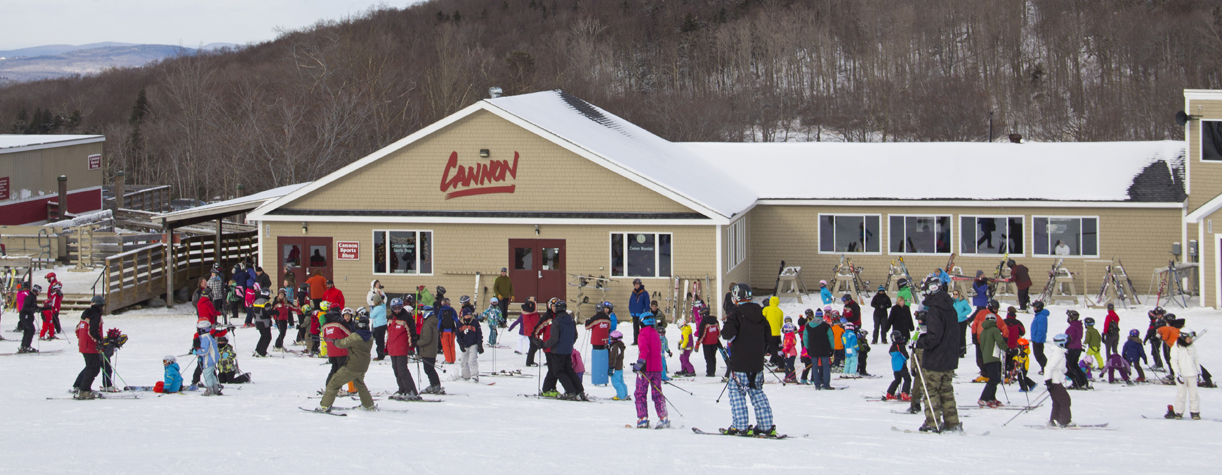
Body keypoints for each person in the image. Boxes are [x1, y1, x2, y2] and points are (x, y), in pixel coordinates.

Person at [719, 284, 776, 436]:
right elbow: (768, 337)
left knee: (736, 393)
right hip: (757, 364)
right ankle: (766, 425)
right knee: (757, 392)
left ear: (736, 297)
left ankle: (741, 426)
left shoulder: (736, 314)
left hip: (740, 363)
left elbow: (726, 334)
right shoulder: (760, 315)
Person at [914, 277, 963, 433]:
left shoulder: (935, 309)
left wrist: (922, 342)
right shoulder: (950, 308)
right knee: (946, 390)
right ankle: (952, 422)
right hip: (949, 358)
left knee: (930, 390)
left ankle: (932, 421)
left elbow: (934, 336)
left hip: (936, 358)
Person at [316, 315, 376, 413]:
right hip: (363, 366)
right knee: (360, 384)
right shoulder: (370, 337)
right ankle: (368, 405)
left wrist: (335, 341)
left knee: (334, 382)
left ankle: (324, 406)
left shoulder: (355, 336)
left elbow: (342, 343)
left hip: (352, 366)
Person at [542, 301, 585, 400]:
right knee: (569, 370)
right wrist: (568, 345)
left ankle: (570, 391)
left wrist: (544, 344)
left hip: (557, 351)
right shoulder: (571, 320)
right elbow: (575, 336)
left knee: (559, 372)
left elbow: (554, 339)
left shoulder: (557, 321)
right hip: (567, 350)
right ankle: (580, 390)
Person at [633, 312, 669, 428]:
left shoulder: (642, 334)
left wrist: (639, 364)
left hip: (645, 369)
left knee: (640, 393)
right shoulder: (656, 334)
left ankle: (642, 418)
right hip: (657, 369)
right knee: (657, 393)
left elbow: (644, 351)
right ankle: (663, 417)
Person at [72, 296, 106, 399]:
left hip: (84, 345)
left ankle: (84, 387)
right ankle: (84, 390)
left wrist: (81, 340)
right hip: (90, 346)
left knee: (92, 367)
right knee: (93, 368)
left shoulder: (85, 315)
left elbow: (77, 329)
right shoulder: (95, 315)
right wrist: (99, 341)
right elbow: (93, 331)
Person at [387, 298, 420, 400]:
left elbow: (412, 333)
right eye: (395, 308)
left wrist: (411, 346)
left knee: (402, 370)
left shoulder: (406, 317)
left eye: (399, 308)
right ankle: (401, 389)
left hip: (402, 348)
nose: (397, 310)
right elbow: (388, 333)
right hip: (392, 349)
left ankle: (410, 390)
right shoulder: (391, 318)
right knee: (396, 370)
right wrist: (385, 347)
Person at [1167, 328, 1202, 420]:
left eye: (1191, 338)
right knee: (1181, 394)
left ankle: (1195, 412)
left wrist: (1198, 372)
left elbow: (1196, 360)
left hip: (1192, 374)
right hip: (1182, 375)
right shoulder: (1176, 347)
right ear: (1183, 337)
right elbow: (1174, 361)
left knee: (1194, 395)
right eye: (1188, 338)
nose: (1190, 340)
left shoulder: (1192, 347)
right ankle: (1179, 412)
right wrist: (1177, 374)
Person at [977, 313, 1007, 408]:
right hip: (994, 357)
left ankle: (991, 397)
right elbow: (1000, 342)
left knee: (995, 378)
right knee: (994, 379)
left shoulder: (983, 332)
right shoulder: (995, 330)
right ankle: (984, 398)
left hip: (986, 358)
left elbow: (981, 345)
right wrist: (1008, 350)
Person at [1045, 333, 1073, 427]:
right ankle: (1064, 421)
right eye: (1067, 342)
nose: (1069, 344)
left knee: (1057, 401)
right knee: (1065, 400)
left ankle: (1054, 420)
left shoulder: (1060, 352)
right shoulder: (1057, 353)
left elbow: (1060, 367)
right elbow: (1048, 368)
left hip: (1056, 381)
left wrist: (1068, 373)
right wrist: (1048, 381)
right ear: (1062, 343)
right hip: (1054, 382)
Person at [321, 308, 352, 387]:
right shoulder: (340, 322)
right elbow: (349, 334)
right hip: (341, 350)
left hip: (331, 350)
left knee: (334, 368)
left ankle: (328, 385)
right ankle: (336, 387)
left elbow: (325, 338)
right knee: (341, 370)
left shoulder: (325, 324)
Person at [417, 306, 444, 394]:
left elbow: (426, 339)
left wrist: (417, 343)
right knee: (429, 368)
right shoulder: (431, 322)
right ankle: (434, 384)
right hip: (430, 350)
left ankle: (435, 385)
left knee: (429, 369)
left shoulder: (428, 324)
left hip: (428, 350)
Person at [804, 310, 834, 389]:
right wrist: (832, 348)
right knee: (826, 367)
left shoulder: (808, 325)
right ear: (822, 316)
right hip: (825, 348)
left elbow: (805, 338)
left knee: (814, 367)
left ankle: (817, 385)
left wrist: (807, 348)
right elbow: (831, 337)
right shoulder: (826, 325)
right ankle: (826, 384)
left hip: (813, 349)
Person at [585, 302, 612, 385]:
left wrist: (587, 321)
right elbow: (609, 327)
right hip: (605, 341)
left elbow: (587, 327)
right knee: (604, 358)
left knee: (597, 359)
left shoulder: (595, 318)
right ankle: (604, 376)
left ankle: (597, 377)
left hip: (596, 341)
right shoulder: (607, 318)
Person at [195, 320, 223, 396]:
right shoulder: (210, 337)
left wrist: (197, 351)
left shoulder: (205, 338)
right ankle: (215, 389)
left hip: (209, 360)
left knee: (207, 375)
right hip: (213, 359)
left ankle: (209, 390)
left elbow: (204, 351)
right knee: (211, 375)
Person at [457, 307, 484, 382]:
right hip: (465, 344)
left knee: (472, 360)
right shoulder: (459, 323)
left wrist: (480, 344)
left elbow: (479, 334)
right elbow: (458, 335)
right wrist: (461, 344)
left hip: (473, 344)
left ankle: (474, 375)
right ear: (463, 316)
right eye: (467, 316)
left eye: (470, 315)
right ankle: (466, 376)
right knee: (463, 361)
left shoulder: (475, 322)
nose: (469, 317)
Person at [1064, 310, 1089, 389]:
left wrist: (1065, 342)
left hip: (1072, 348)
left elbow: (1071, 338)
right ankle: (1083, 381)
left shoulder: (1072, 327)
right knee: (1075, 365)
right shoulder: (1078, 325)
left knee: (1070, 366)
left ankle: (1076, 383)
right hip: (1077, 348)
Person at [17, 284, 43, 353]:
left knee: (27, 330)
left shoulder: (33, 297)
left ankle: (24, 346)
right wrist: (32, 309)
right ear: (36, 291)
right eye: (39, 291)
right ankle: (26, 346)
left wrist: (40, 309)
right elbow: (25, 307)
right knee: (31, 329)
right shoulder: (30, 297)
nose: (39, 293)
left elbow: (34, 306)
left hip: (27, 316)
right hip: (25, 315)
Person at [886, 331, 911, 401]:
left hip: (895, 367)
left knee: (897, 380)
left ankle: (890, 393)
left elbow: (891, 353)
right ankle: (905, 393)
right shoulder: (900, 346)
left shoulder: (892, 346)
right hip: (901, 365)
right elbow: (906, 356)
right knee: (907, 379)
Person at [698, 306, 721, 377]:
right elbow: (718, 333)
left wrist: (698, 343)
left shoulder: (704, 323)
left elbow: (702, 334)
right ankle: (713, 371)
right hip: (715, 342)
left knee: (708, 357)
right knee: (713, 356)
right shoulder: (715, 321)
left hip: (707, 343)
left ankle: (710, 372)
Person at [763, 296, 784, 367]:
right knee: (778, 348)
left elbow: (762, 319)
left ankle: (780, 363)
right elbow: (781, 323)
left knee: (773, 349)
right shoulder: (780, 311)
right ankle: (773, 360)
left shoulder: (766, 309)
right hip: (777, 333)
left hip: (769, 332)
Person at [252, 289, 275, 357]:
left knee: (263, 336)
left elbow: (252, 312)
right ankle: (262, 352)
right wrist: (275, 312)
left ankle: (258, 349)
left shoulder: (256, 301)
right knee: (268, 337)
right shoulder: (266, 302)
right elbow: (268, 312)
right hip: (264, 322)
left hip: (257, 321)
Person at [608, 330, 629, 400]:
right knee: (621, 381)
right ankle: (625, 394)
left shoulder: (615, 347)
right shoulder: (620, 345)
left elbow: (613, 358)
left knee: (616, 382)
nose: (610, 339)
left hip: (615, 368)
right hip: (620, 368)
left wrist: (611, 367)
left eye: (611, 338)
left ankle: (621, 396)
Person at [520, 301, 541, 366]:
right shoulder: (531, 313)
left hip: (530, 331)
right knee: (533, 346)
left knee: (533, 346)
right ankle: (529, 362)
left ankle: (530, 361)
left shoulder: (527, 312)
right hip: (532, 332)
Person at [438, 298, 460, 364]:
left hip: (444, 331)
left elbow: (439, 321)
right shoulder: (452, 310)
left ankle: (448, 359)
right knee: (452, 345)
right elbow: (456, 320)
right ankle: (453, 359)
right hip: (452, 330)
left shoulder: (441, 311)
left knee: (445, 345)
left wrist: (438, 329)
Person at [1030, 301, 1049, 373]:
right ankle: (1045, 368)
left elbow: (1041, 330)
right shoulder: (1039, 316)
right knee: (1039, 355)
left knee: (1039, 356)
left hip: (1038, 340)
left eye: (1035, 307)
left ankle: (1046, 369)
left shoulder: (1041, 317)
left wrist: (1037, 340)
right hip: (1036, 339)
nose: (1034, 309)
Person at [952, 289, 972, 357]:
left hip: (962, 321)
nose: (955, 295)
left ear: (959, 294)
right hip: (954, 321)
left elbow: (969, 310)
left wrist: (962, 315)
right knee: (954, 336)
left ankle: (962, 352)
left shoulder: (963, 301)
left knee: (961, 336)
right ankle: (955, 351)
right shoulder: (952, 301)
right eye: (954, 294)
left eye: (956, 294)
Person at [629, 279, 649, 345]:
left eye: (637, 284)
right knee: (635, 328)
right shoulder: (633, 293)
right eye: (635, 285)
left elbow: (647, 303)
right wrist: (631, 309)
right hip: (634, 313)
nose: (636, 286)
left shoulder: (644, 293)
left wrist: (646, 312)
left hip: (642, 314)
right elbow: (631, 302)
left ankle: (643, 341)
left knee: (643, 328)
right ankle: (636, 341)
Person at [369, 294, 388, 360]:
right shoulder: (383, 306)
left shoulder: (378, 308)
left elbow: (371, 315)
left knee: (379, 341)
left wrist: (371, 310)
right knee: (381, 340)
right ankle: (382, 353)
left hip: (378, 325)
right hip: (382, 325)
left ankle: (380, 355)